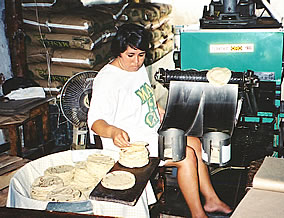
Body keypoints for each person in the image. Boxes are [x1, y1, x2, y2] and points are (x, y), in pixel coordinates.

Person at [88, 23, 232, 218]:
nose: (137, 62)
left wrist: (156, 108)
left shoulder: (136, 68)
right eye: (130, 55)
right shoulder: (107, 79)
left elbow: (141, 95)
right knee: (186, 156)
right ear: (119, 51)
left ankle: (212, 200)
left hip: (149, 132)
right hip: (131, 144)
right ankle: (198, 215)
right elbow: (96, 122)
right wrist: (113, 132)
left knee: (196, 143)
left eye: (141, 55)